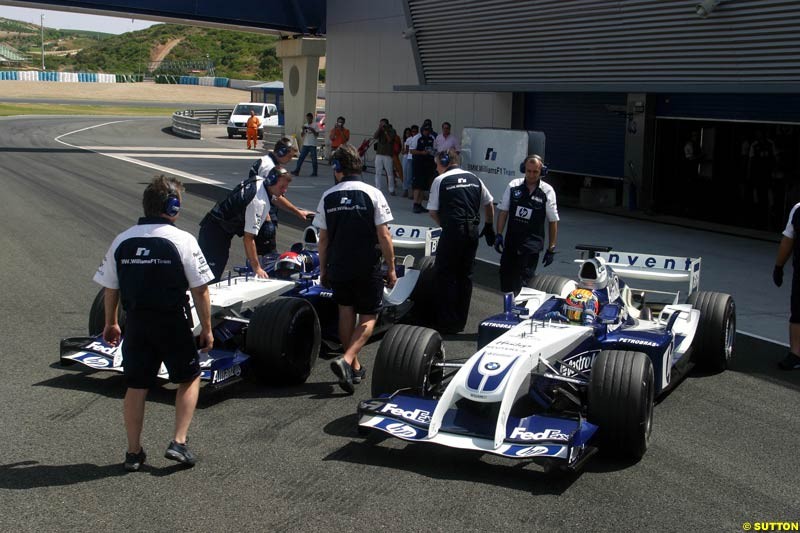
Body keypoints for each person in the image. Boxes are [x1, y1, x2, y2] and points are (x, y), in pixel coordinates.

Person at [93, 175, 214, 471]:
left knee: (136, 385)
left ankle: (133, 453)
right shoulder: (183, 240)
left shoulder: (122, 239)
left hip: (135, 323)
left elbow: (111, 287)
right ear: (172, 206)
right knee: (188, 377)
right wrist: (208, 329)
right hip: (171, 321)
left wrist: (111, 322)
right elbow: (200, 289)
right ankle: (179, 442)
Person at [314, 144, 396, 393]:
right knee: (370, 317)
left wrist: (324, 269)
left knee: (345, 313)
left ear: (338, 168)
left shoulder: (328, 196)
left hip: (339, 265)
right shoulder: (373, 193)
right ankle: (347, 359)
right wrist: (391, 267)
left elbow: (323, 239)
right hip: (366, 265)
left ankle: (354, 367)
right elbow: (384, 236)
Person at [199, 138, 304, 282]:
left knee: (213, 270)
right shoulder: (259, 201)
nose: (284, 192)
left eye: (286, 188)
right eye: (282, 188)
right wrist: (257, 268)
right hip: (215, 231)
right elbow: (249, 239)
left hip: (219, 229)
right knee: (210, 276)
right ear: (272, 181)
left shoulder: (260, 182)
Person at [427, 148, 494, 333]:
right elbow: (489, 203)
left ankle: (445, 323)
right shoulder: (474, 178)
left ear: (444, 161)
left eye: (437, 165)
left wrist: (445, 225)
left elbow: (432, 211)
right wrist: (489, 226)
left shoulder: (440, 180)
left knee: (445, 275)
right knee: (465, 276)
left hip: (453, 231)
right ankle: (460, 322)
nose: (436, 169)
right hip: (472, 231)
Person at [494, 154, 559, 295]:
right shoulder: (513, 186)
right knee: (505, 279)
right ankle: (507, 312)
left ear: (542, 171)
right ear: (524, 169)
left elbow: (553, 220)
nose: (531, 175)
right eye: (528, 171)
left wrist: (551, 248)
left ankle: (519, 313)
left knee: (523, 284)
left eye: (535, 172)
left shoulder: (547, 191)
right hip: (511, 243)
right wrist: (499, 234)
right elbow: (503, 212)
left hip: (531, 246)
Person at [772, 202, 800, 370]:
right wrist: (778, 267)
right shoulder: (798, 209)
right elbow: (788, 240)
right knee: (797, 312)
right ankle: (796, 354)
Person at [411, 124, 436, 213]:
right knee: (417, 185)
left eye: (428, 130)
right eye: (425, 130)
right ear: (422, 130)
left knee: (423, 186)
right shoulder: (417, 138)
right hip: (418, 164)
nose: (427, 132)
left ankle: (419, 204)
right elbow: (412, 150)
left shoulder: (432, 138)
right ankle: (415, 204)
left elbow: (434, 149)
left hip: (428, 164)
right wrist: (422, 152)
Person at [372, 118, 397, 196]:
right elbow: (375, 136)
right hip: (379, 153)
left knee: (389, 172)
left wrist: (385, 131)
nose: (381, 125)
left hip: (387, 154)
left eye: (382, 124)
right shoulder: (380, 130)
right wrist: (379, 129)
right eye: (380, 123)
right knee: (378, 172)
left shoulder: (392, 130)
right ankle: (377, 187)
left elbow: (390, 140)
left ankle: (391, 189)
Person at [292, 112, 319, 177]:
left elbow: (317, 135)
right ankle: (297, 171)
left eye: (309, 118)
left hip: (313, 144)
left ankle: (315, 172)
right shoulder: (305, 125)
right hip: (306, 144)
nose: (308, 120)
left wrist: (312, 129)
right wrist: (303, 130)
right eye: (307, 118)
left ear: (312, 118)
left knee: (314, 159)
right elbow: (302, 135)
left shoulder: (315, 125)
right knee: (301, 158)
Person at [401, 125, 418, 198]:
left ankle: (411, 192)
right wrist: (404, 151)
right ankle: (405, 190)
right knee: (405, 174)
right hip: (406, 158)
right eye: (412, 131)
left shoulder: (417, 138)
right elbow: (405, 150)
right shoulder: (408, 139)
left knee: (411, 175)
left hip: (412, 157)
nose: (413, 133)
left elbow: (407, 150)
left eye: (415, 131)